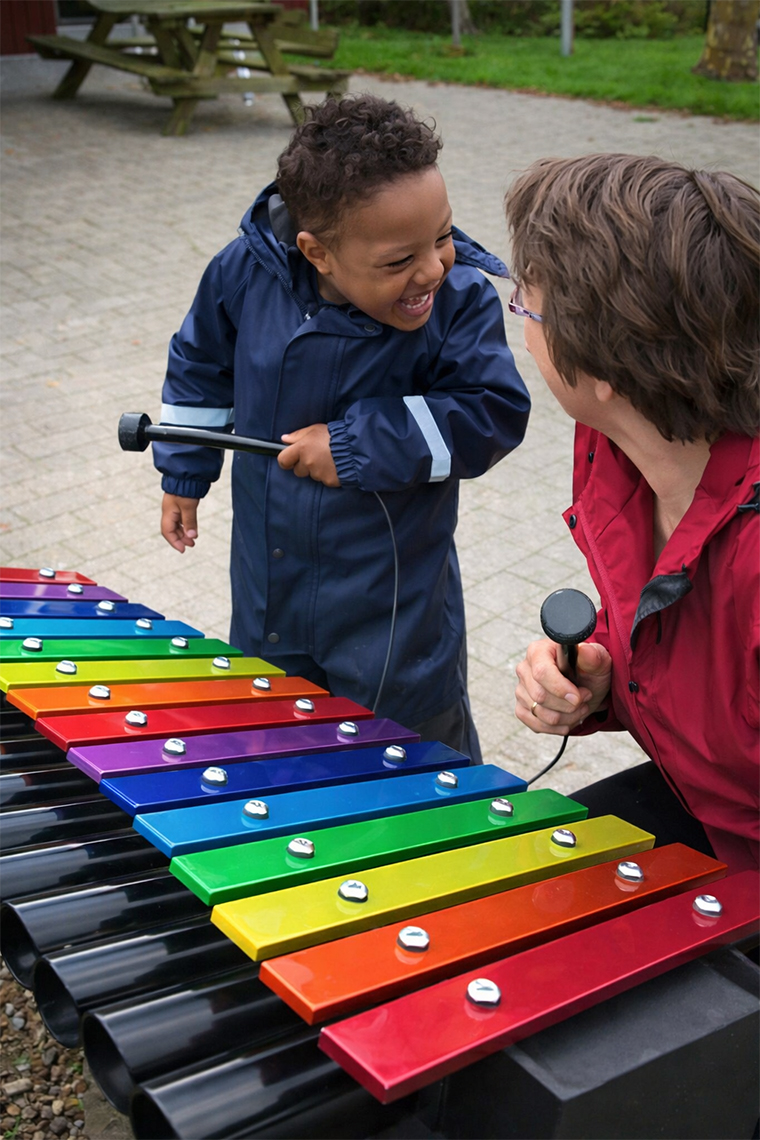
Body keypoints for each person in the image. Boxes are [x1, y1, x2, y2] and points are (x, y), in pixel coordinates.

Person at [153, 93, 530, 761]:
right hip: (269, 584)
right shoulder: (242, 274)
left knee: (408, 760)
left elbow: (492, 412)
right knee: (277, 744)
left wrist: (357, 443)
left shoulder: (458, 299)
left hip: (395, 609)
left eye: (441, 236)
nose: (433, 268)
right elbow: (200, 364)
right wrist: (185, 471)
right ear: (316, 251)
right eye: (398, 260)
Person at [506, 153, 759, 871]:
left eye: (528, 306)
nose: (521, 327)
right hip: (708, 815)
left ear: (605, 371)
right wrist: (607, 674)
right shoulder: (615, 455)